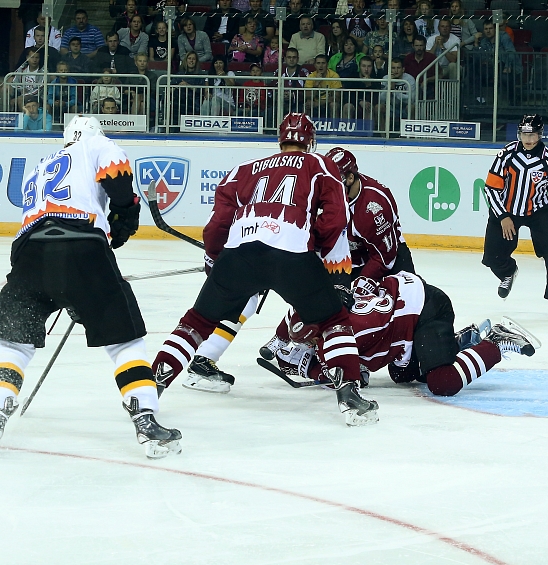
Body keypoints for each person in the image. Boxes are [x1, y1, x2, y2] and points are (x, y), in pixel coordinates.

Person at [152, 113, 379, 427]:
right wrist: (320, 255)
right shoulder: (322, 165)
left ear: (279, 140)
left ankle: (152, 387)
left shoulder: (243, 170)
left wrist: (216, 259)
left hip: (240, 253)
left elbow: (218, 224)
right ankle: (350, 397)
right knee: (333, 320)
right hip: (292, 254)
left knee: (198, 320)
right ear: (311, 142)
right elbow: (336, 220)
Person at [0, 116, 181, 458]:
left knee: (14, 341)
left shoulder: (41, 167)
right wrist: (123, 221)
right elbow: (119, 183)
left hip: (29, 255)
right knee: (124, 340)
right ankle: (145, 416)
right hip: (82, 248)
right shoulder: (95, 145)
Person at [271, 272, 537, 397]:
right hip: (406, 310)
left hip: (427, 309)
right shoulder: (332, 308)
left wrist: (311, 369)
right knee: (403, 375)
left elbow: (354, 378)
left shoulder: (352, 332)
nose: (312, 345)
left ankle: (497, 340)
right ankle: (465, 341)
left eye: (311, 340)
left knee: (442, 382)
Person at [481, 114, 548, 317]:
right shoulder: (506, 154)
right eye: (524, 134)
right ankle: (507, 272)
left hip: (538, 211)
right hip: (506, 210)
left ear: (540, 135)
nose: (528, 139)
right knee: (491, 256)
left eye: (532, 135)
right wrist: (503, 216)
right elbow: (491, 188)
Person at [325, 147, 414, 281]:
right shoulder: (326, 197)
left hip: (389, 255)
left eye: (336, 182)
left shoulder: (375, 206)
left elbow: (384, 257)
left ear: (350, 178)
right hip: (350, 262)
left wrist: (361, 284)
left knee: (408, 296)